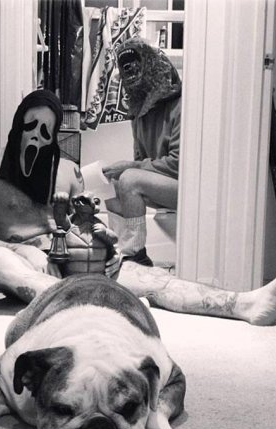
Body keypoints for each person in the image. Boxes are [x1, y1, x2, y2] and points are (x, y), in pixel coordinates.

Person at [0, 88, 276, 326]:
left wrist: (104, 241)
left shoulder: (68, 171)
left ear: (54, 135)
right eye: (30, 125)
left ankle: (244, 304)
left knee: (154, 279)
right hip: (25, 267)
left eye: (45, 131)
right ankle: (85, 300)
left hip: (72, 264)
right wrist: (23, 250)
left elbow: (84, 223)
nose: (36, 135)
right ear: (18, 122)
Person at [102, 38, 182, 267]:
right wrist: (127, 170)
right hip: (165, 185)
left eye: (134, 66)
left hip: (188, 189)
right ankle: (121, 250)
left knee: (128, 178)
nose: (129, 74)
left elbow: (178, 164)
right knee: (111, 185)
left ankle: (136, 255)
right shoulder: (139, 112)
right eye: (124, 69)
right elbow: (141, 162)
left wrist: (131, 168)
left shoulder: (180, 106)